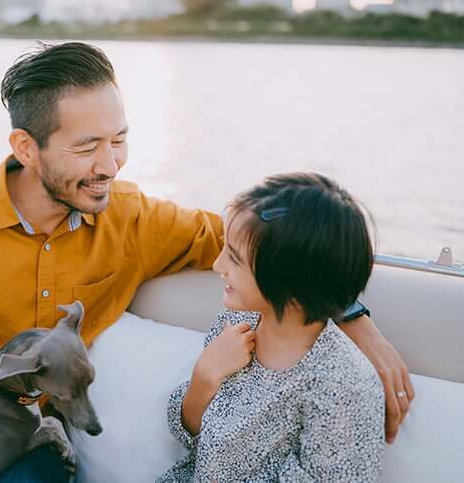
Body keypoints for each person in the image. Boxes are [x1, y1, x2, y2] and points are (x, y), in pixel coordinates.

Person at [0, 42, 413, 483]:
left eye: (119, 139)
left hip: (29, 448)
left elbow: (275, 255)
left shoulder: (133, 216)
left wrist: (357, 319)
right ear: (27, 147)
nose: (111, 164)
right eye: (87, 147)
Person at [158, 173, 385, 482]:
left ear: (290, 284)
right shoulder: (236, 323)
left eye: (235, 260)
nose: (217, 266)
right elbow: (188, 439)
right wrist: (204, 378)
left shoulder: (344, 385)